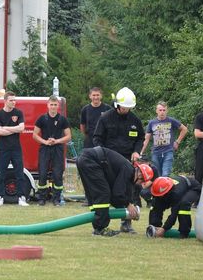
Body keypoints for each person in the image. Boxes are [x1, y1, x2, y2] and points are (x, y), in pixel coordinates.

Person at [93, 87, 144, 233]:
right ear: (117, 104)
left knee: (130, 191)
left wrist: (136, 151)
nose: (126, 110)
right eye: (124, 107)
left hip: (128, 162)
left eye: (129, 108)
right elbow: (97, 139)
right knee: (106, 191)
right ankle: (101, 223)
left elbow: (140, 138)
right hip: (109, 162)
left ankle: (126, 223)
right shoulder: (105, 118)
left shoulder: (135, 120)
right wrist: (102, 156)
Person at [77, 146, 152, 236]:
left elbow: (117, 197)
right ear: (139, 173)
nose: (141, 184)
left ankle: (98, 226)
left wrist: (128, 211)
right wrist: (128, 205)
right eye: (142, 180)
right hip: (90, 160)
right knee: (103, 193)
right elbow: (117, 193)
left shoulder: (129, 172)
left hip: (85, 158)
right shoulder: (128, 170)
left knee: (95, 194)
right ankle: (100, 229)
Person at [32, 95, 71, 206]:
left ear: (58, 106)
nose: (53, 107)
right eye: (51, 104)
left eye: (55, 105)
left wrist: (57, 141)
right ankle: (42, 198)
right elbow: (34, 135)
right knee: (43, 173)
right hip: (45, 148)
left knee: (57, 174)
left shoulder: (62, 119)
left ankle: (56, 199)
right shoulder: (42, 119)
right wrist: (45, 142)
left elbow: (68, 136)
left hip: (58, 148)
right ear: (48, 105)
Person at [0, 91, 29, 207]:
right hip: (3, 148)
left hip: (16, 148)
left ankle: (21, 198)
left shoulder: (18, 113)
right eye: (11, 100)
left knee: (19, 173)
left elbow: (21, 128)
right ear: (5, 101)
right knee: (1, 174)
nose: (14, 102)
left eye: (14, 100)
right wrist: (14, 128)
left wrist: (6, 128)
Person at [140, 101, 188, 176]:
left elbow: (184, 129)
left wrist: (177, 142)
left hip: (168, 152)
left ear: (167, 111)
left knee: (165, 175)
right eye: (160, 110)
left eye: (164, 110)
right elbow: (146, 139)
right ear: (156, 111)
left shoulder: (171, 121)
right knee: (157, 175)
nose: (162, 112)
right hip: (156, 153)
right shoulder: (152, 123)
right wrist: (141, 152)